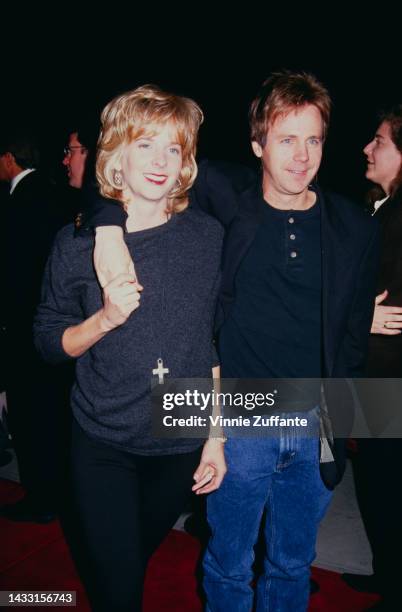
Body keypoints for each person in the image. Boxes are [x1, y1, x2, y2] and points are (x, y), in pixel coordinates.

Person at [78, 71, 380, 611]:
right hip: (239, 412)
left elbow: (353, 339)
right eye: (286, 139)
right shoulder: (225, 194)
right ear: (258, 144)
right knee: (229, 562)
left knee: (292, 563)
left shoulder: (354, 225)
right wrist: (104, 230)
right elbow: (120, 171)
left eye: (313, 139)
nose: (302, 156)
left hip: (315, 423)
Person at [34, 85, 226, 612]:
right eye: (145, 145)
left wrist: (215, 438)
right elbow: (50, 342)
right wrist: (104, 319)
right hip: (103, 440)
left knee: (126, 562)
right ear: (116, 156)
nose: (162, 161)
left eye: (174, 148)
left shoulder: (208, 237)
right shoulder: (74, 242)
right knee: (120, 589)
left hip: (179, 440)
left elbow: (208, 342)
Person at [342, 105, 402, 612]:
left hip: (391, 379)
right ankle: (388, 574)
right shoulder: (379, 207)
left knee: (388, 487)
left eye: (379, 141)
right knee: (376, 484)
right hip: (374, 375)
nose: (368, 147)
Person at [0, 132, 71, 523]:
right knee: (52, 414)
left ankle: (40, 498)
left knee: (29, 417)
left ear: (9, 159)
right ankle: (55, 492)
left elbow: (13, 271)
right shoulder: (55, 193)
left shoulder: (19, 201)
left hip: (26, 327)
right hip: (55, 324)